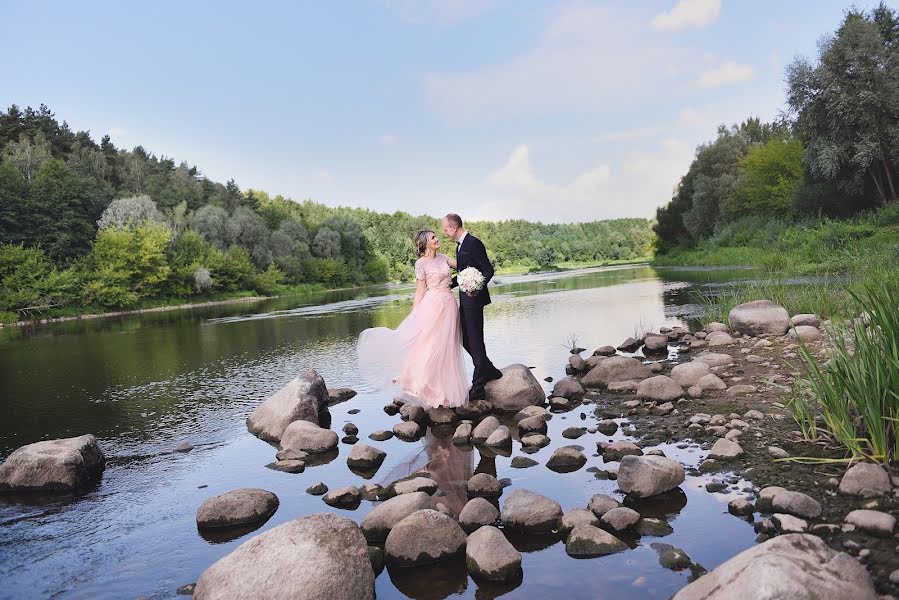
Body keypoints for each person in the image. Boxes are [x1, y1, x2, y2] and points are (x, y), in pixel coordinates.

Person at [356, 229, 468, 408]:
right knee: (429, 345)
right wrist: (415, 315)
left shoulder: (443, 258)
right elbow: (420, 291)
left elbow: (464, 266)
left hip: (449, 306)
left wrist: (472, 270)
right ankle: (417, 383)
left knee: (446, 347)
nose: (437, 239)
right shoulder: (421, 264)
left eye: (436, 236)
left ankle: (444, 392)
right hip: (432, 306)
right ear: (425, 243)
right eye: (433, 237)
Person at [441, 213, 503, 401]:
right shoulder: (461, 246)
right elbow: (463, 273)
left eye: (445, 229)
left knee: (475, 340)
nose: (444, 233)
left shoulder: (473, 243)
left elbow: (487, 270)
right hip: (464, 301)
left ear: (454, 227)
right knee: (464, 338)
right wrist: (446, 285)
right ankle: (488, 369)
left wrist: (476, 287)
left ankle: (478, 387)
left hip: (474, 300)